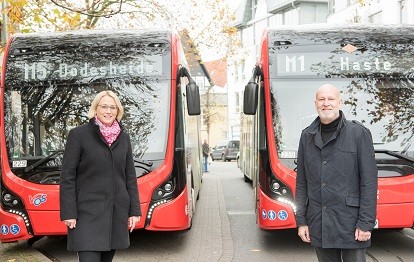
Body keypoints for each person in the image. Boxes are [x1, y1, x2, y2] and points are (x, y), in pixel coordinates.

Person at [295, 84, 378, 262]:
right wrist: (302, 221)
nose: (326, 103)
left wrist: (365, 223)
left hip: (351, 222)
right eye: (322, 99)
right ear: (315, 103)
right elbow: (302, 181)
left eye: (331, 99)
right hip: (319, 221)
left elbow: (369, 182)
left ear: (339, 102)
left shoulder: (358, 133)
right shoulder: (306, 136)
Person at [60, 90, 141, 262]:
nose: (108, 111)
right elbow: (67, 176)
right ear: (95, 109)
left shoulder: (124, 138)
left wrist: (134, 211)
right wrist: (68, 212)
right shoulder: (78, 135)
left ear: (118, 111)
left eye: (113, 107)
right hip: (86, 215)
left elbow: (130, 176)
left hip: (115, 213)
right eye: (104, 106)